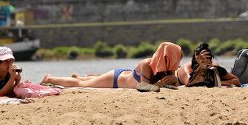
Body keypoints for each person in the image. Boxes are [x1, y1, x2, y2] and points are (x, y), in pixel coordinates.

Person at [41, 41, 182, 89]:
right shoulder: (146, 64)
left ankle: (81, 76)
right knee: (81, 84)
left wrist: (173, 80)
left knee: (88, 80)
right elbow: (142, 87)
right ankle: (50, 78)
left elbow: (173, 85)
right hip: (116, 79)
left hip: (126, 76)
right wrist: (159, 85)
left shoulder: (166, 70)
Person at [175, 42, 240, 87]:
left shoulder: (214, 67)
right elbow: (190, 84)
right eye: (202, 59)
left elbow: (236, 81)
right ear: (197, 60)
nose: (206, 61)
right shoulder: (187, 68)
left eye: (208, 58)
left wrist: (218, 83)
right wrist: (201, 67)